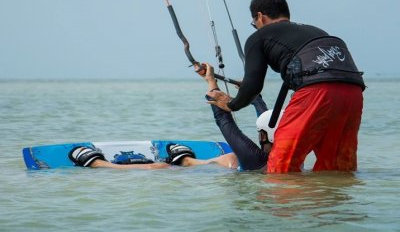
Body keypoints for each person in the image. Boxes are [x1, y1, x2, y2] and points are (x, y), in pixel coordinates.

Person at [207, 0, 365, 173]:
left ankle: (283, 201)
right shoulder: (316, 31)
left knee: (282, 164)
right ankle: (331, 199)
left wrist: (232, 105)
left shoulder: (259, 37)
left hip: (317, 90)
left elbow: (253, 86)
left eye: (254, 23)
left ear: (260, 16)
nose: (256, 27)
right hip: (353, 90)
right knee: (338, 166)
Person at [68, 64, 280, 171]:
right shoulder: (289, 152)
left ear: (263, 136)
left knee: (161, 167)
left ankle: (97, 165)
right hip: (262, 181)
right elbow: (269, 120)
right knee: (231, 159)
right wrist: (254, 96)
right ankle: (188, 161)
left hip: (252, 175)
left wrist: (210, 81)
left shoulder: (256, 159)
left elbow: (223, 120)